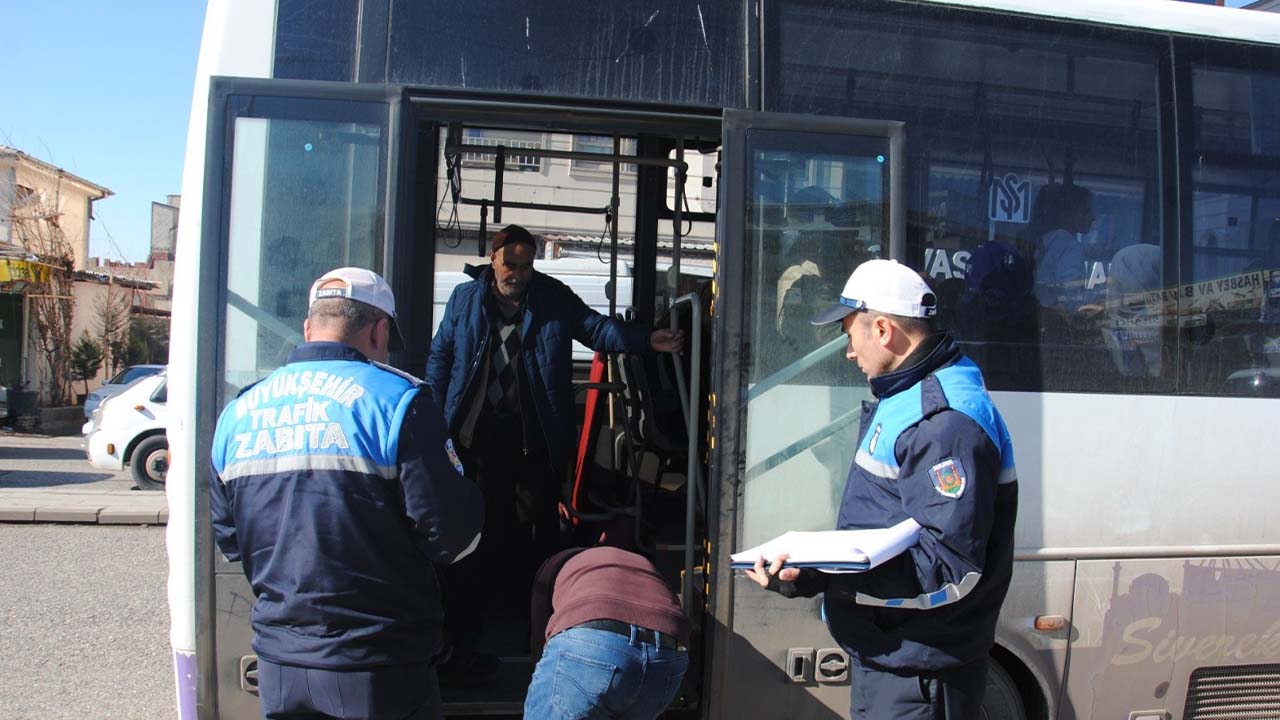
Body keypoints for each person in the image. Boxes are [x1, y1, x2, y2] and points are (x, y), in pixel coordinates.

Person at [745, 259, 1019, 720]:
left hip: (918, 672)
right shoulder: (905, 396)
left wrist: (826, 574)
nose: (848, 351)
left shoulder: (942, 422)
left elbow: (946, 568)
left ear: (885, 330)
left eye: (851, 334)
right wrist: (808, 572)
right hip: (896, 657)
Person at [211, 267, 484, 720]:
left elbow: (232, 542)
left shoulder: (238, 413)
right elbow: (452, 538)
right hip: (380, 667)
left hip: (280, 666)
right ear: (379, 330)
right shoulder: (399, 403)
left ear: (308, 327)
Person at [426, 224, 684, 679]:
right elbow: (442, 357)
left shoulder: (551, 296)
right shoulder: (466, 300)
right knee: (473, 536)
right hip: (475, 437)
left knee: (537, 536)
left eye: (527, 266)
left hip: (533, 438)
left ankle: (537, 637)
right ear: (493, 260)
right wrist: (434, 420)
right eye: (512, 265)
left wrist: (647, 340)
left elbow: (595, 329)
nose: (519, 275)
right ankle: (467, 637)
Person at [525, 520, 691, 719]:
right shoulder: (637, 563)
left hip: (593, 642)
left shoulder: (554, 563)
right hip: (667, 655)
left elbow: (539, 640)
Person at [1029, 183, 1095, 311]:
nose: (1093, 217)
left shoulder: (1044, 241)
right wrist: (1100, 302)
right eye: (1086, 210)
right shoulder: (1071, 247)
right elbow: (1070, 299)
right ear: (1068, 213)